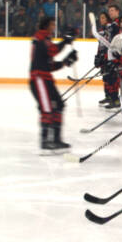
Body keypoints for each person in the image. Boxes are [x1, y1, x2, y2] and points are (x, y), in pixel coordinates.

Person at [29, 17, 78, 152]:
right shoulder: (39, 37)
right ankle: (45, 141)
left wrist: (66, 61)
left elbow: (50, 65)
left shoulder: (46, 40)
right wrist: (66, 41)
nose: (54, 27)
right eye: (52, 25)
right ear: (46, 25)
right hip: (39, 79)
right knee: (47, 109)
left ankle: (56, 139)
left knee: (59, 105)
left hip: (46, 78)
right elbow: (53, 50)